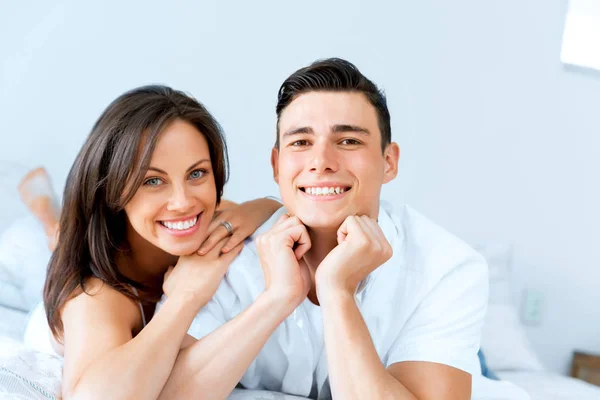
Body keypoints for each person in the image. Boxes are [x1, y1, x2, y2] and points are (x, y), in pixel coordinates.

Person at [156, 58, 521, 400]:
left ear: (389, 162)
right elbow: (169, 395)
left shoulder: (448, 267)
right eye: (301, 142)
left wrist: (337, 292)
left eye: (348, 141)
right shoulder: (222, 253)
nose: (321, 162)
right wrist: (278, 298)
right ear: (276, 164)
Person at [24, 85, 281, 400]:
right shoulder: (96, 296)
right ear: (114, 189)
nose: (183, 201)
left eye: (197, 173)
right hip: (99, 262)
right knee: (58, 236)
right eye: (153, 181)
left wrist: (253, 208)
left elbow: (276, 207)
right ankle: (44, 209)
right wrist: (185, 297)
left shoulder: (208, 219)